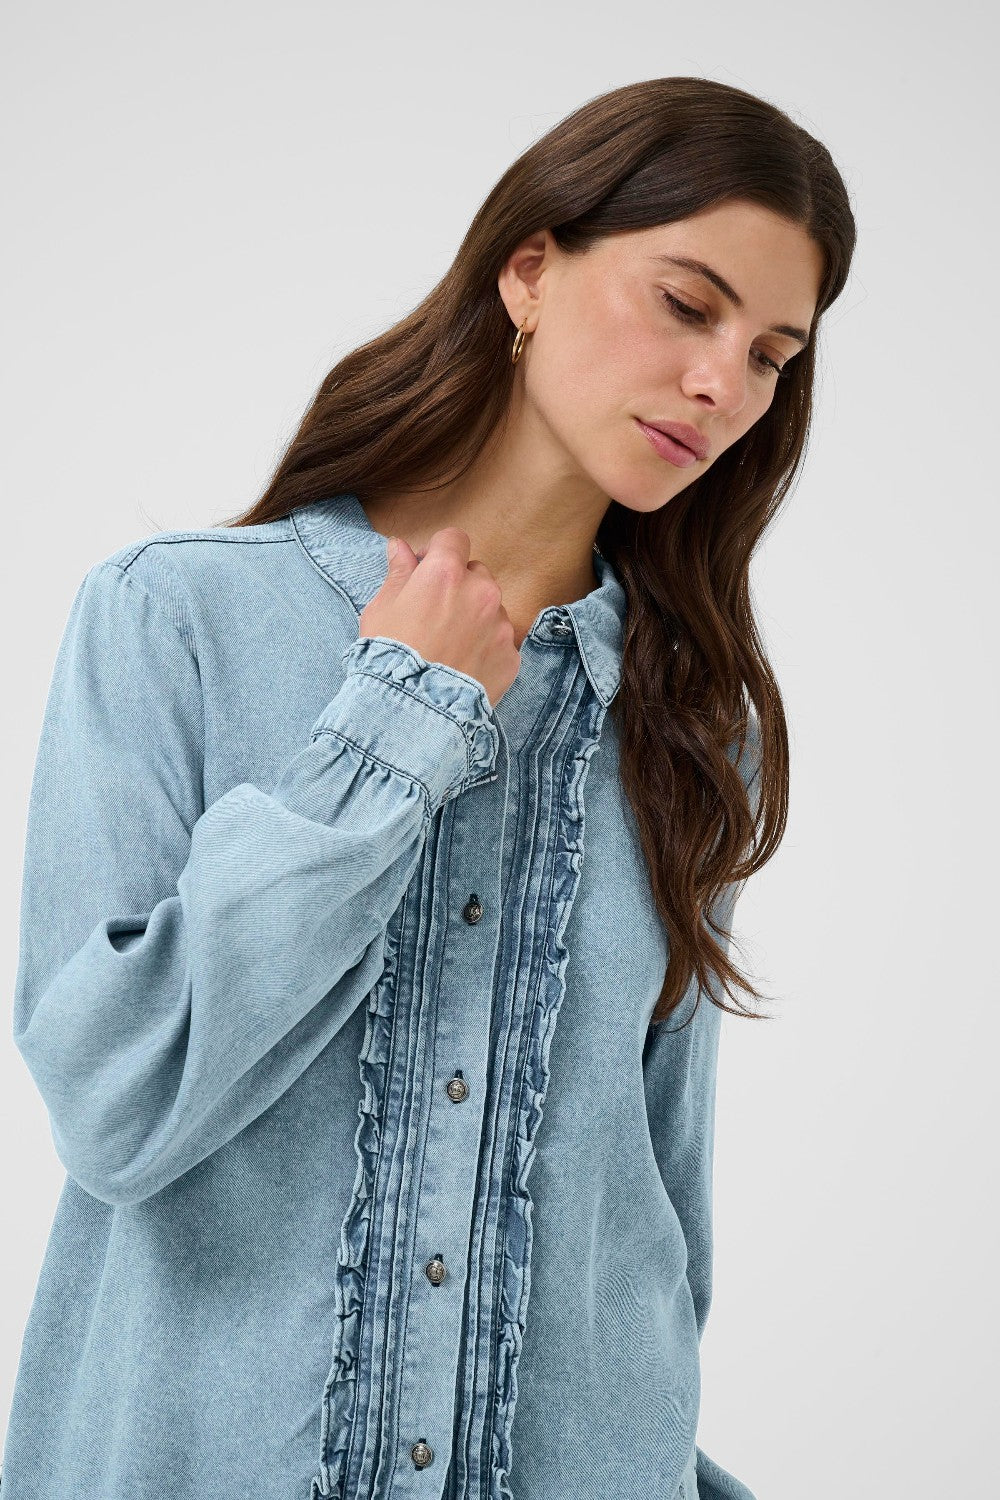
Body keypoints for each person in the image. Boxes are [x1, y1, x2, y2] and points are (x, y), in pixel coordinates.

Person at [1, 76, 856, 1500]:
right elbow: (118, 1104)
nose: (727, 387)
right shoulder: (176, 622)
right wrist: (400, 719)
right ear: (529, 268)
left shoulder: (695, 724)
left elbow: (654, 1220)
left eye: (774, 353)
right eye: (688, 305)